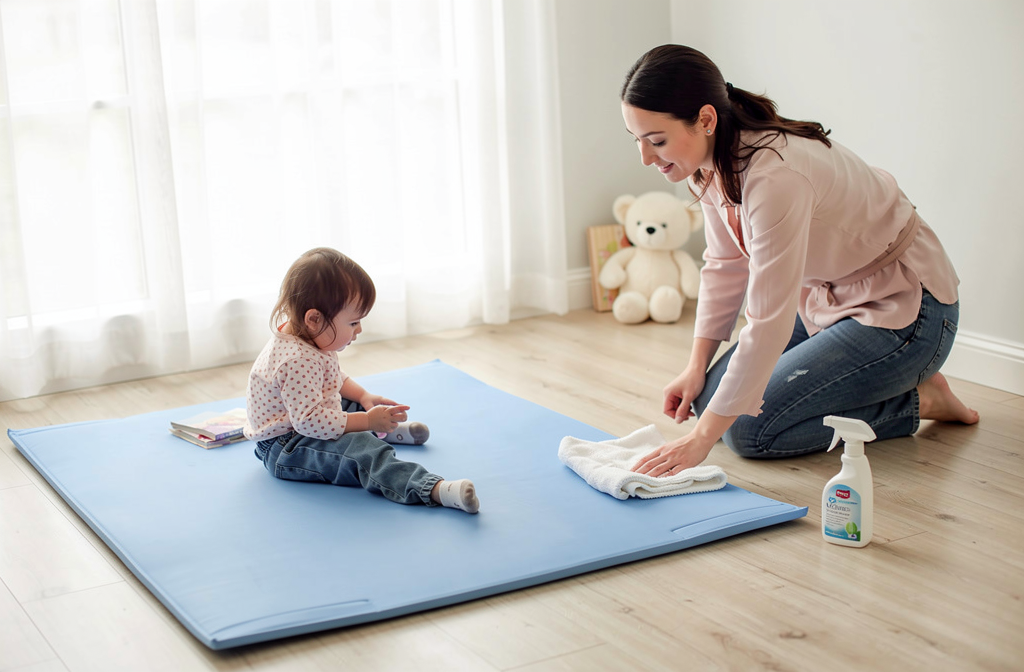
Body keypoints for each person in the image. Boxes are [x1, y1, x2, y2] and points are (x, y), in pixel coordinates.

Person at [619, 45, 979, 475]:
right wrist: (695, 368)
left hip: (907, 310)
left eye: (656, 141)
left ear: (706, 119)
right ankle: (883, 381)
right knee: (708, 398)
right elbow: (725, 264)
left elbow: (768, 323)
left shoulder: (775, 176)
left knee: (747, 432)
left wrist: (700, 441)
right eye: (637, 140)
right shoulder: (708, 164)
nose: (646, 157)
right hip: (825, 302)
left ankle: (919, 400)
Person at [243, 247, 480, 513]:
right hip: (287, 447)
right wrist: (366, 421)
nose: (359, 330)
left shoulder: (308, 335)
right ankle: (432, 488)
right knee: (362, 451)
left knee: (352, 404)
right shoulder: (296, 360)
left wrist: (364, 397)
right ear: (314, 319)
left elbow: (331, 380)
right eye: (354, 322)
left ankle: (384, 429)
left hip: (300, 420)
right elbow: (309, 422)